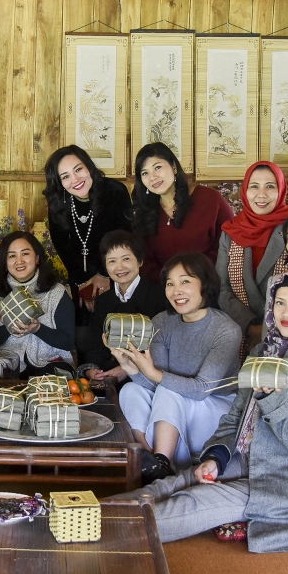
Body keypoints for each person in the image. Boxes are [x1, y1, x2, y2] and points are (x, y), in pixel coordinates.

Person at [113, 268, 288, 552]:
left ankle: (105, 528)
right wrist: (216, 458)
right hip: (255, 458)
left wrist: (273, 397)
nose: (286, 312)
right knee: (179, 481)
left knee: (194, 501)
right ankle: (86, 514)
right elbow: (235, 419)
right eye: (280, 302)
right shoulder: (264, 351)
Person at [111, 253, 241, 481]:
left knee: (167, 389)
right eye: (170, 284)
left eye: (185, 281)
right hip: (173, 407)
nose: (176, 291)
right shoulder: (162, 322)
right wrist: (129, 367)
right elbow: (154, 382)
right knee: (131, 389)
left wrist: (153, 374)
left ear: (205, 284)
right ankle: (145, 456)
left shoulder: (226, 330)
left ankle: (162, 462)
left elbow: (201, 390)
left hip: (216, 412)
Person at [216, 161, 288, 356]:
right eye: (254, 186)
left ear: (281, 190)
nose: (261, 194)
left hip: (286, 331)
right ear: (245, 191)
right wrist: (251, 325)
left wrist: (268, 328)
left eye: (270, 186)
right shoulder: (231, 232)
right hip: (239, 330)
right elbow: (221, 288)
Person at [42, 145, 132, 317]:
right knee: (84, 327)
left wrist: (104, 275)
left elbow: (126, 238)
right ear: (60, 183)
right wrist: (84, 285)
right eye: (65, 176)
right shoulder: (58, 203)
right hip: (80, 280)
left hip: (117, 273)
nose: (75, 179)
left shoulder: (115, 191)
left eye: (78, 169)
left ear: (88, 166)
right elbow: (62, 247)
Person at [131, 142, 234, 282]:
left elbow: (229, 245)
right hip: (165, 287)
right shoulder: (145, 212)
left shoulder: (210, 198)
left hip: (209, 284)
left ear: (173, 167)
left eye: (157, 167)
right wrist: (173, 281)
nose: (152, 177)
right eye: (145, 173)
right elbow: (144, 261)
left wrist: (195, 276)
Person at [0, 231, 75, 377]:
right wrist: (8, 328)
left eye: (25, 254)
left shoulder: (57, 292)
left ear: (37, 258)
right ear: (5, 263)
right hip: (5, 366)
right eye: (12, 256)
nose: (19, 261)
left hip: (49, 364)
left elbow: (67, 342)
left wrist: (38, 328)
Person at [77, 230, 169, 384]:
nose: (119, 267)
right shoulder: (103, 300)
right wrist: (93, 370)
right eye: (112, 261)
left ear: (140, 261)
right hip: (107, 374)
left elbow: (161, 347)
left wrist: (126, 368)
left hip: (147, 376)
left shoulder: (159, 296)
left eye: (126, 259)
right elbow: (96, 343)